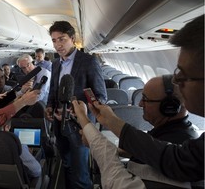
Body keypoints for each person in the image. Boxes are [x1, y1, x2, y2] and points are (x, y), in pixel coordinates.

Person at [73, 14, 204, 187]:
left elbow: (122, 182)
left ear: (170, 107)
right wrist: (111, 123)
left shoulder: (183, 139)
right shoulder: (187, 143)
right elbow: (168, 156)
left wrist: (85, 123)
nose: (177, 80)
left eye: (184, 74)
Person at [45, 21, 107, 188]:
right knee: (66, 166)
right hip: (59, 125)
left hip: (80, 127)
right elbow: (53, 90)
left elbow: (101, 97)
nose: (58, 44)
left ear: (72, 39)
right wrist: (49, 106)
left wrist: (81, 109)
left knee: (80, 173)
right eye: (54, 40)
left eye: (62, 39)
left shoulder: (88, 62)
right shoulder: (55, 63)